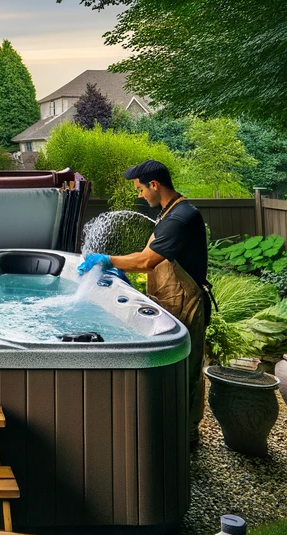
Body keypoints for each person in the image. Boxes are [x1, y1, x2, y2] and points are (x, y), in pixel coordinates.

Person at [79, 160, 212, 441]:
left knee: (186, 369)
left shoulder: (182, 217)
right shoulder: (168, 213)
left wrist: (107, 259)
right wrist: (118, 269)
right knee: (167, 364)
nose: (139, 195)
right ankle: (167, 426)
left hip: (186, 300)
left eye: (140, 189)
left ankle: (187, 435)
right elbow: (145, 253)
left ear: (154, 185)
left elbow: (147, 261)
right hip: (167, 298)